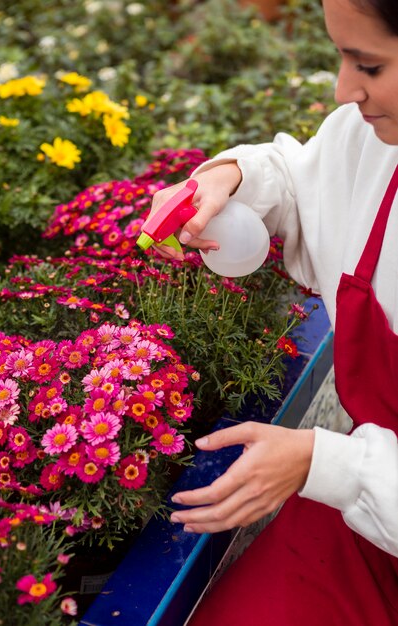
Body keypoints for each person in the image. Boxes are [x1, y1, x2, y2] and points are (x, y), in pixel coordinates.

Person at [143, 0, 398, 623]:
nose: (345, 90)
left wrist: (323, 462)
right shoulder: (371, 137)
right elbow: (302, 180)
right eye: (339, 55)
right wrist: (230, 179)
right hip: (370, 525)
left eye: (368, 63)